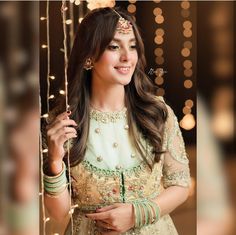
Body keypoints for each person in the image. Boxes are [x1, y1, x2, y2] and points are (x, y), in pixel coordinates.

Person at [43, 7, 191, 235]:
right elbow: (58, 213)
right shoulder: (63, 123)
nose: (127, 57)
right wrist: (54, 161)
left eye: (132, 46)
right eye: (114, 46)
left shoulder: (157, 113)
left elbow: (180, 184)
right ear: (89, 56)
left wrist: (137, 214)